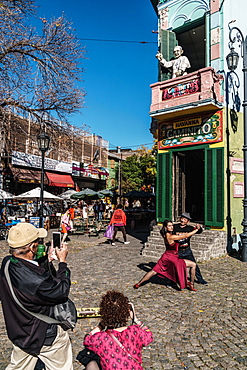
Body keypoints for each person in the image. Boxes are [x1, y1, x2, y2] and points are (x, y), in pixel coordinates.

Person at [0, 222, 73, 370]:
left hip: (20, 331)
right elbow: (61, 291)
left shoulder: (7, 262)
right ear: (32, 247)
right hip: (42, 333)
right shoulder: (38, 282)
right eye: (38, 242)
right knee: (62, 365)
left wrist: (47, 260)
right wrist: (63, 262)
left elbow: (30, 272)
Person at [83, 290, 153, 370]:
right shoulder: (135, 331)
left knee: (91, 364)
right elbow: (149, 335)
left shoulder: (100, 338)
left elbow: (87, 340)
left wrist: (101, 325)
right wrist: (135, 319)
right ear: (126, 313)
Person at [133, 220, 198, 291]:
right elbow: (186, 235)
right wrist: (196, 230)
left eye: (172, 225)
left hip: (165, 256)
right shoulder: (170, 236)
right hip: (173, 257)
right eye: (169, 226)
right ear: (166, 227)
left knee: (153, 271)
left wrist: (193, 228)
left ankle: (138, 284)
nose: (172, 227)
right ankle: (191, 284)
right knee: (193, 265)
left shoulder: (164, 234)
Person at [173, 212, 208, 285]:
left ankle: (201, 280)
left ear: (188, 221)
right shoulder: (175, 227)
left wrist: (199, 228)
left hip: (187, 250)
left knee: (195, 266)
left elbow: (199, 231)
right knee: (174, 267)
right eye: (182, 218)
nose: (182, 220)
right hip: (177, 250)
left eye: (185, 219)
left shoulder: (189, 228)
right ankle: (172, 282)